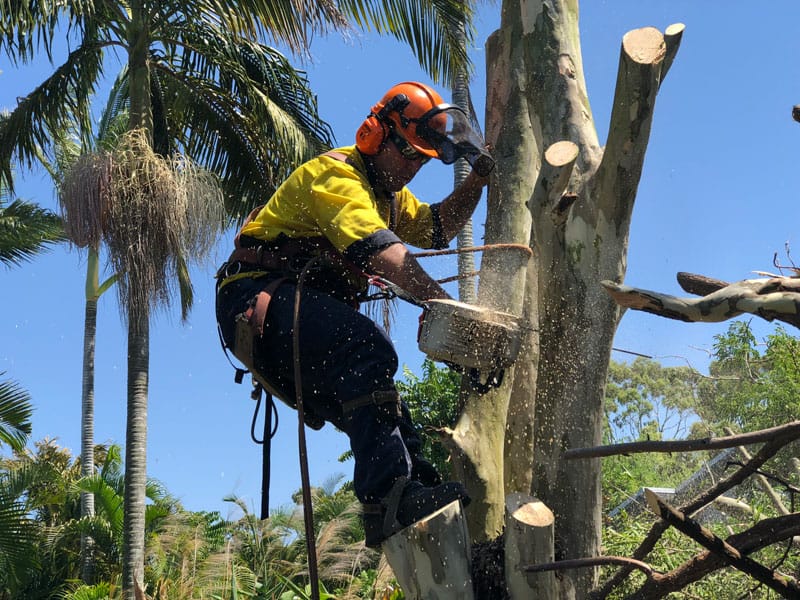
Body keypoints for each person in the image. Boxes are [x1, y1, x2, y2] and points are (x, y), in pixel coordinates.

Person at [215, 81, 492, 547]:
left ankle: (416, 497)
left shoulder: (389, 197)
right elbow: (382, 253)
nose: (413, 168)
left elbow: (437, 228)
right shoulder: (336, 176)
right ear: (375, 134)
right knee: (368, 347)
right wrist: (449, 310)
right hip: (255, 298)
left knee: (385, 406)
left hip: (296, 317)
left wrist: (478, 179)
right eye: (409, 154)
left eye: (422, 161)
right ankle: (388, 497)